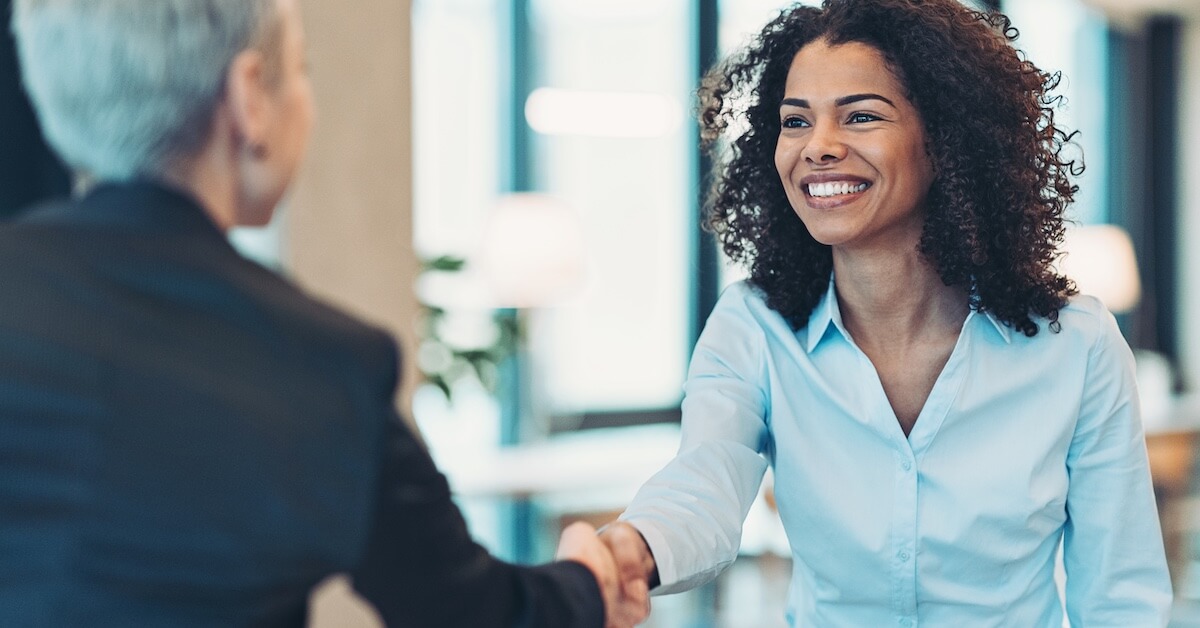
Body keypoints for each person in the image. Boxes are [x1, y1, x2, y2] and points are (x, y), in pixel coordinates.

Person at [0, 1, 649, 626]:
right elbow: (475, 613)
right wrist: (588, 587)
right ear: (249, 98)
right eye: (302, 67)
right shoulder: (321, 366)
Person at [599, 0, 1173, 625]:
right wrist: (629, 550)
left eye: (862, 116)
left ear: (945, 141)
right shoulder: (753, 329)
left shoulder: (1078, 346)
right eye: (796, 122)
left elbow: (1121, 600)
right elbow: (703, 487)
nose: (818, 148)